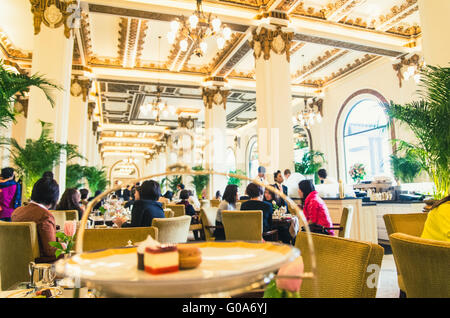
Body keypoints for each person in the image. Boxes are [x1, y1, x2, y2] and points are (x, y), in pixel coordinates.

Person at [11, 176, 60, 262]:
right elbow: (51, 250)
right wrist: (64, 245)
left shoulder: (17, 212)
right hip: (38, 266)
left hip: (15, 262)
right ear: (54, 198)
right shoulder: (45, 216)